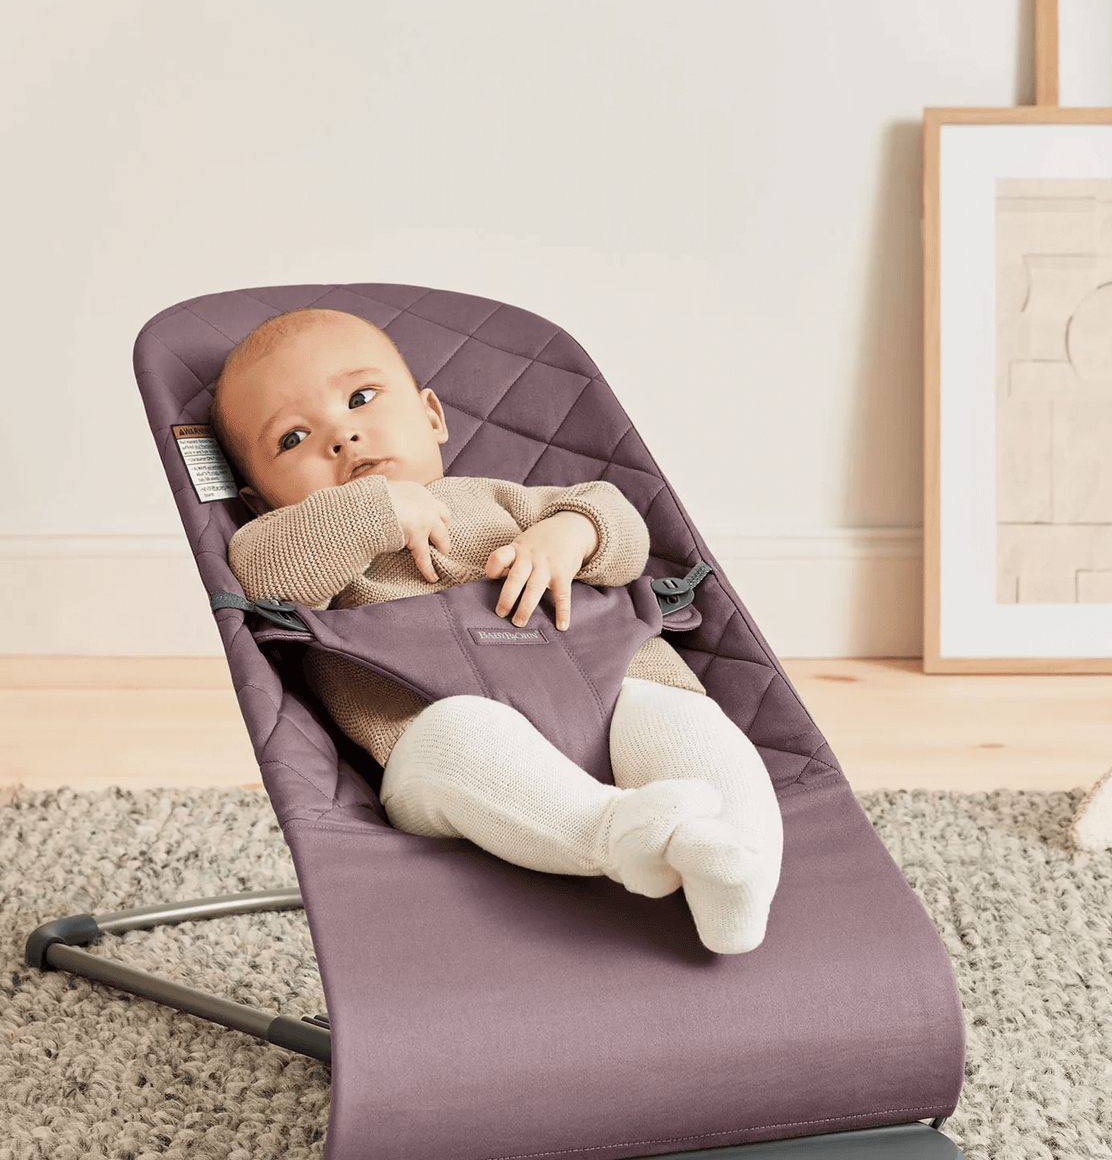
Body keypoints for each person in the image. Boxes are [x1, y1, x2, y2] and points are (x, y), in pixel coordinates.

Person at [212, 307, 782, 953]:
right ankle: (617, 834)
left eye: (361, 399)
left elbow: (620, 528)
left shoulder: (501, 498)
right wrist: (369, 511)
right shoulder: (297, 537)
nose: (342, 437)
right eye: (292, 439)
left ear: (431, 416)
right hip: (437, 730)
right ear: (259, 499)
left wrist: (570, 533)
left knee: (683, 720)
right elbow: (262, 577)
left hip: (610, 690)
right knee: (458, 736)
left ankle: (736, 860)